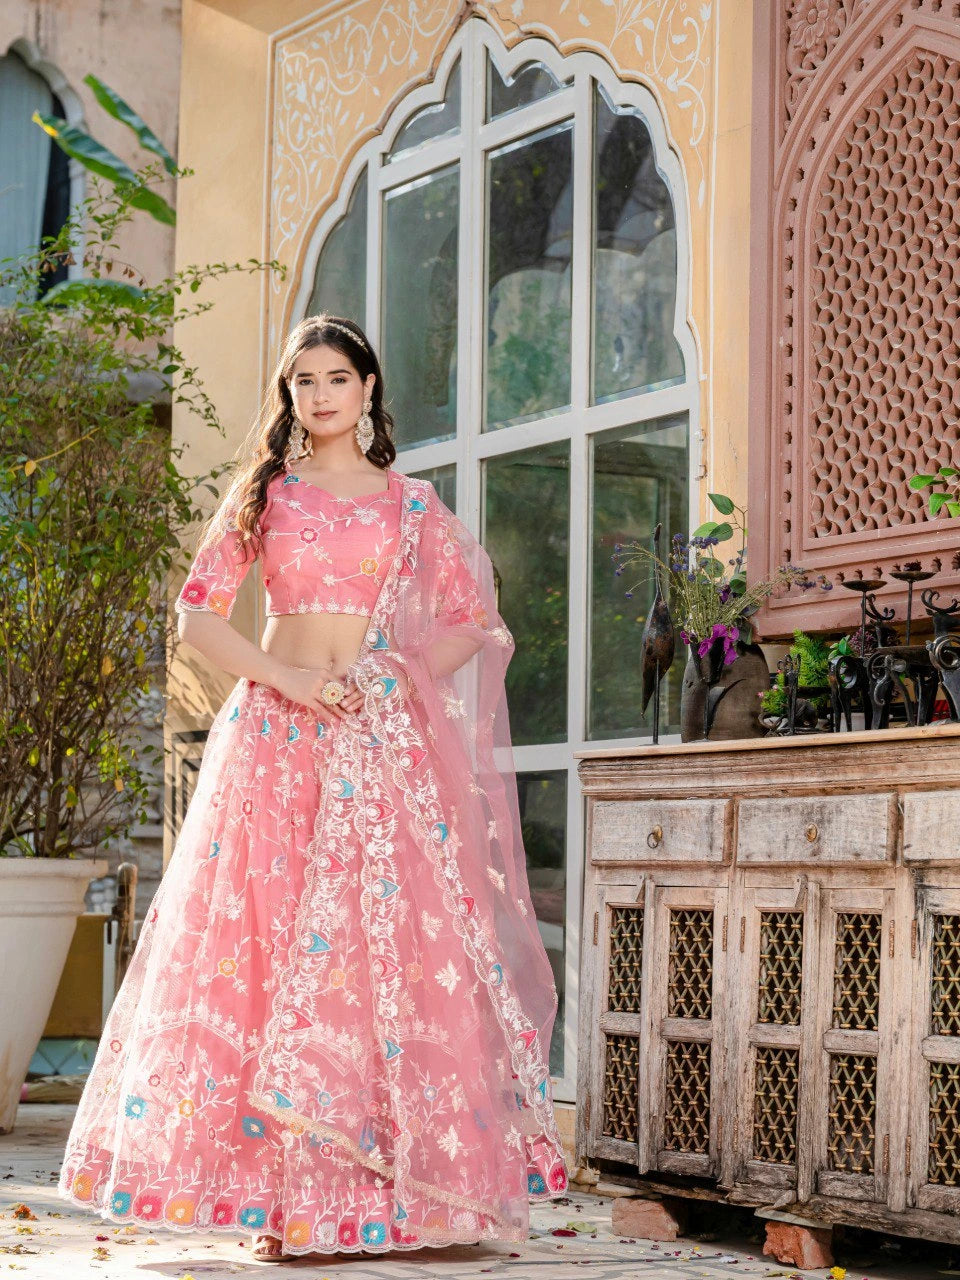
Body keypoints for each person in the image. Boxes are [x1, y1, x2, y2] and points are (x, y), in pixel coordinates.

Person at [58, 313, 568, 1262]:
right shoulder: (266, 498)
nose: (321, 396)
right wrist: (280, 675)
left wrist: (394, 670)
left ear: (368, 388)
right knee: (267, 943)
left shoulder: (412, 507)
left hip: (376, 743)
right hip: (276, 738)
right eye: (303, 382)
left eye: (337, 378)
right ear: (290, 395)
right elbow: (197, 617)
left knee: (381, 955)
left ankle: (394, 1198)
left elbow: (476, 620)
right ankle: (277, 1201)